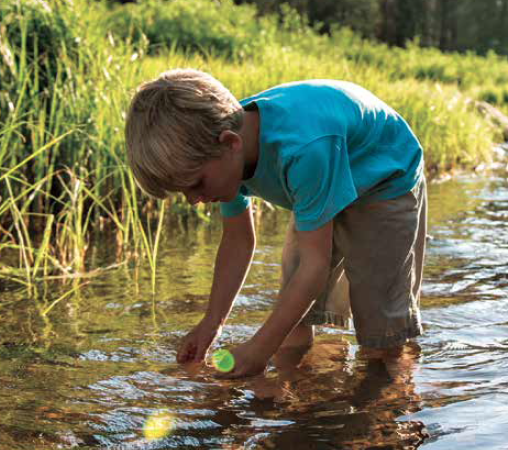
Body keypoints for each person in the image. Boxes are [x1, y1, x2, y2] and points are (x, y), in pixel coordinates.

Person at [125, 68, 427, 378]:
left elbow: (315, 266)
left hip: (385, 178)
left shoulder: (300, 149)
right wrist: (211, 324)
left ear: (230, 144)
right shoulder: (222, 148)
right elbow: (238, 241)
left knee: (380, 330)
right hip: (324, 173)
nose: (194, 199)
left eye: (197, 185)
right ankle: (297, 392)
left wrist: (257, 350)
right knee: (293, 317)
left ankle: (391, 398)